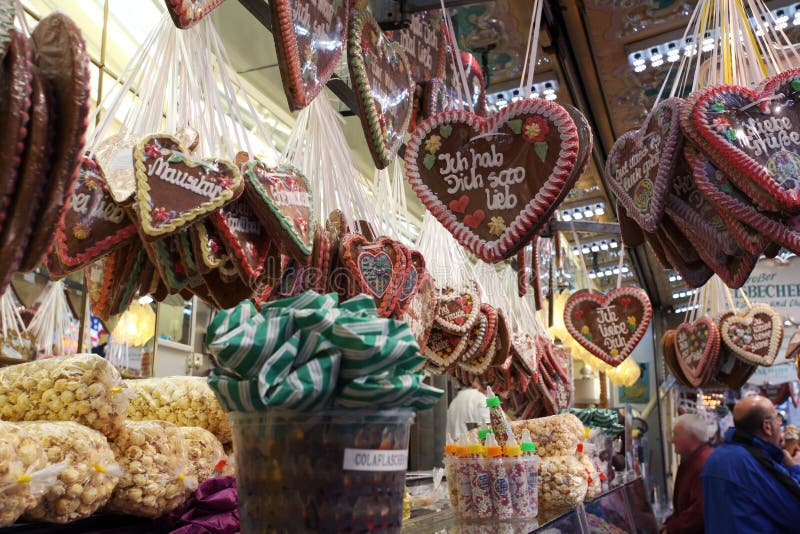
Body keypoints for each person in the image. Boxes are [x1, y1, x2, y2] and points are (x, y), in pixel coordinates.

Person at [702, 395, 800, 533]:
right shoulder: (753, 463)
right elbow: (796, 514)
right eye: (777, 418)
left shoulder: (716, 457)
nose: (780, 423)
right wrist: (796, 468)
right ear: (767, 427)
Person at [661, 414, 712, 534]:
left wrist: (671, 529)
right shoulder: (693, 459)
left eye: (676, 435)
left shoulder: (702, 464)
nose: (671, 440)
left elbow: (699, 512)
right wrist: (668, 524)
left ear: (692, 438)